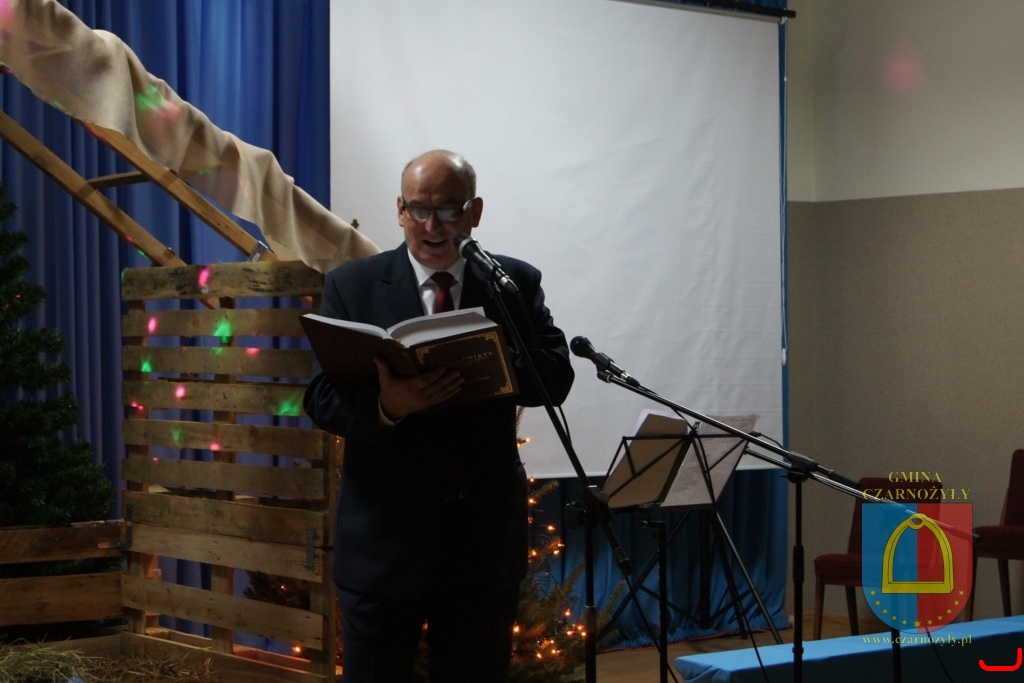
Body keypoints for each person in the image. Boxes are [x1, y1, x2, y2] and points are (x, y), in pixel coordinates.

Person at [303, 149, 575, 682]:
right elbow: (321, 399)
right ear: (399, 210)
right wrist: (390, 406)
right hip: (383, 542)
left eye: (449, 210)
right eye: (419, 210)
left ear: (475, 212)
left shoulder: (512, 282)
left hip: (480, 544)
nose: (432, 226)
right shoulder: (352, 286)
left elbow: (556, 378)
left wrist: (492, 360)